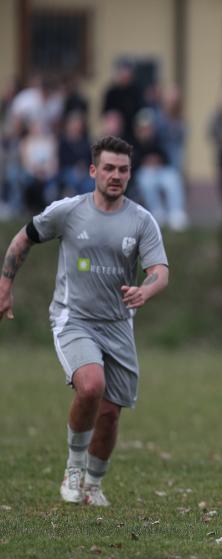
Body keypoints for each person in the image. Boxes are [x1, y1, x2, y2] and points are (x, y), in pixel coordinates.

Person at [0, 136, 169, 507]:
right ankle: (73, 467)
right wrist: (5, 284)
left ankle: (92, 484)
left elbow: (159, 271)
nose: (116, 175)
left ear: (130, 173)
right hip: (73, 318)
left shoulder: (142, 221)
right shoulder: (68, 211)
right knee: (91, 386)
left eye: (123, 169)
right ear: (93, 170)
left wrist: (145, 291)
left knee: (109, 414)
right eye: (108, 168)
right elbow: (24, 238)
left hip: (118, 324)